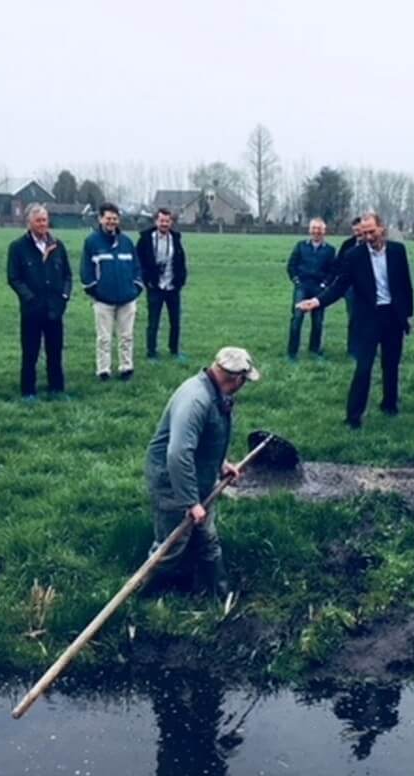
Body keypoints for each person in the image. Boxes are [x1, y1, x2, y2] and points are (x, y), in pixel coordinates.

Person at [144, 347, 261, 600]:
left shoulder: (217, 395)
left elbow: (207, 440)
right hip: (172, 481)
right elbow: (177, 455)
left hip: (199, 478)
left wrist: (221, 464)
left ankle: (219, 594)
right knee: (172, 546)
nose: (244, 385)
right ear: (235, 378)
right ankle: (146, 595)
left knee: (207, 538)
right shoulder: (196, 400)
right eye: (244, 380)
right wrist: (190, 502)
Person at [296, 212, 414, 428]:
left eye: (372, 232)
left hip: (393, 317)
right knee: (364, 367)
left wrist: (406, 316)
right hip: (369, 317)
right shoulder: (355, 256)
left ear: (382, 228)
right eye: (364, 233)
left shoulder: (398, 251)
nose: (368, 237)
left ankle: (389, 405)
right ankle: (353, 417)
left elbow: (405, 285)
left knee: (391, 364)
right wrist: (317, 302)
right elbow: (340, 286)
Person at [6, 203, 72, 401]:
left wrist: (64, 296)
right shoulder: (18, 247)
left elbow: (67, 275)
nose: (43, 224)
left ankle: (57, 389)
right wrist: (29, 298)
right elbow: (14, 277)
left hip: (54, 308)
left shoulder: (57, 246)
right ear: (29, 223)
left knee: (55, 351)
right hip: (32, 310)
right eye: (38, 221)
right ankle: (28, 390)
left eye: (45, 220)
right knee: (30, 352)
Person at [82, 202, 143, 381]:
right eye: (108, 218)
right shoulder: (92, 242)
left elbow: (137, 267)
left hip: (127, 298)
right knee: (104, 338)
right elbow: (87, 271)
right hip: (103, 300)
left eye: (115, 218)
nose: (111, 222)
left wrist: (136, 287)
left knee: (127, 336)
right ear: (100, 219)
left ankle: (126, 367)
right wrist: (95, 291)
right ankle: (103, 370)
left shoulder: (127, 242)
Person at [135, 207, 188, 362]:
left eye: (167, 221)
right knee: (154, 321)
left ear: (171, 222)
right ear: (156, 221)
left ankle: (174, 350)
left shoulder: (176, 239)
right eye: (161, 220)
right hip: (155, 287)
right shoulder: (146, 239)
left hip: (172, 286)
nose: (164, 224)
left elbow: (181, 260)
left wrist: (180, 280)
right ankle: (151, 352)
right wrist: (148, 281)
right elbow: (139, 262)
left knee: (175, 321)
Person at [285, 217, 337, 361]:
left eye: (319, 229)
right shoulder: (301, 246)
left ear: (324, 231)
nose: (316, 231)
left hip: (319, 289)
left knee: (318, 320)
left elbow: (333, 271)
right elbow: (291, 265)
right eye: (314, 228)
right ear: (309, 230)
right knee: (297, 318)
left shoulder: (330, 250)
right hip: (302, 286)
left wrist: (325, 284)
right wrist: (296, 281)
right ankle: (292, 353)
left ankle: (314, 350)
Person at [337, 217, 365, 356]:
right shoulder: (347, 245)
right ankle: (353, 349)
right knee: (353, 318)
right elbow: (339, 264)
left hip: (367, 288)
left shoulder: (371, 244)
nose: (357, 233)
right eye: (354, 230)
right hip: (351, 288)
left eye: (359, 230)